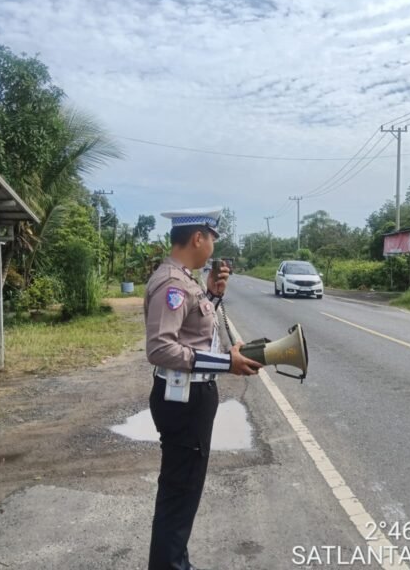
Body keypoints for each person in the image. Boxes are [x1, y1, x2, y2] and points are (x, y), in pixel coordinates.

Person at [145, 207, 263, 570]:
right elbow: (161, 348)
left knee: (182, 494)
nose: (213, 246)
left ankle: (175, 562)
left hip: (190, 397)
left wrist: (211, 295)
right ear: (198, 238)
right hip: (185, 400)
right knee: (179, 496)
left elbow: (193, 334)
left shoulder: (184, 279)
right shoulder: (173, 284)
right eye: (212, 238)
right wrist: (226, 363)